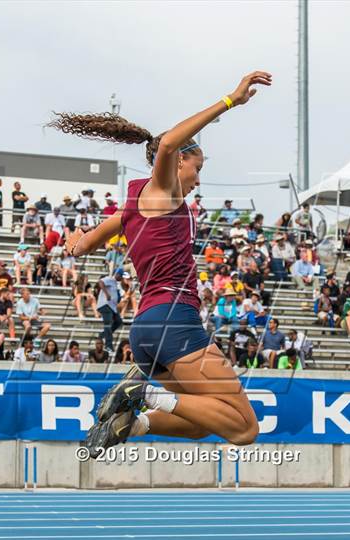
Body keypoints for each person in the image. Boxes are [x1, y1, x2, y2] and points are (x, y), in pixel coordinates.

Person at [57, 69, 272, 455]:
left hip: (146, 332)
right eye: (198, 168)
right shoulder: (165, 190)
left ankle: (134, 422)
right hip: (174, 321)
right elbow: (170, 141)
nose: (199, 180)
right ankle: (146, 395)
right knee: (243, 428)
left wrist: (73, 243)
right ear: (178, 164)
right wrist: (230, 101)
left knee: (201, 423)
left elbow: (82, 246)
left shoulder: (131, 207)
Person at [96, 273, 123, 353]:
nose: (122, 278)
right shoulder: (110, 279)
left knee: (118, 321)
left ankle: (102, 335)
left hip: (112, 307)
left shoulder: (116, 283)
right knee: (108, 324)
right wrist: (106, 294)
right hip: (105, 305)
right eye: (121, 276)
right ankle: (108, 346)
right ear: (117, 275)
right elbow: (100, 282)